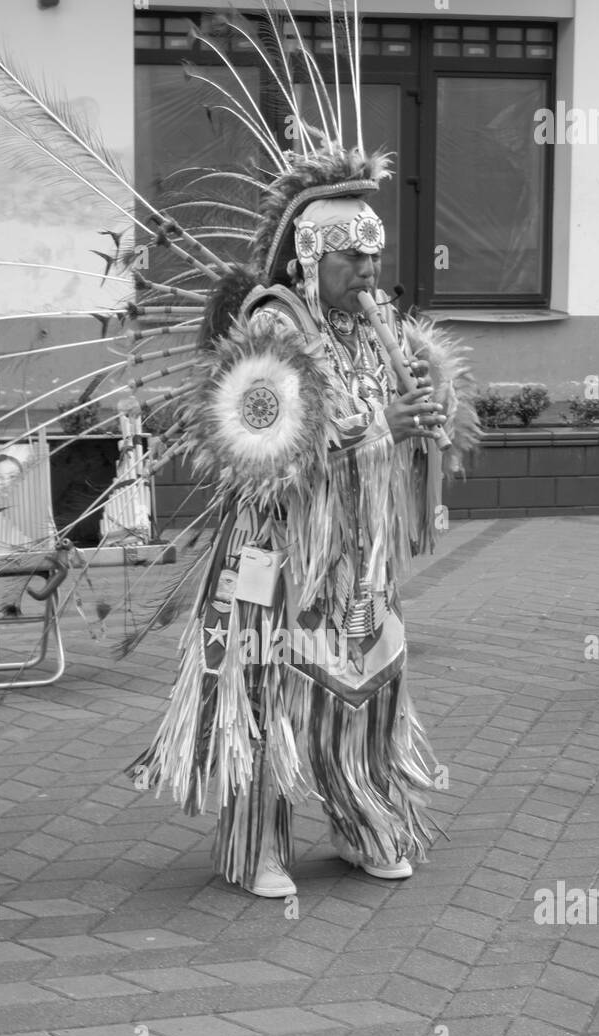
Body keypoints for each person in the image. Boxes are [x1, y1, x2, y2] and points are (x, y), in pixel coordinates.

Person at [129, 146, 479, 899]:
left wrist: (432, 411)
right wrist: (380, 421)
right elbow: (261, 446)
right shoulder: (271, 332)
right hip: (275, 556)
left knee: (368, 678)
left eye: (374, 256)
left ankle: (364, 821)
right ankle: (256, 845)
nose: (368, 273)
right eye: (352, 258)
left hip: (357, 553)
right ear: (311, 257)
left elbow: (429, 423)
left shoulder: (375, 331)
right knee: (266, 683)